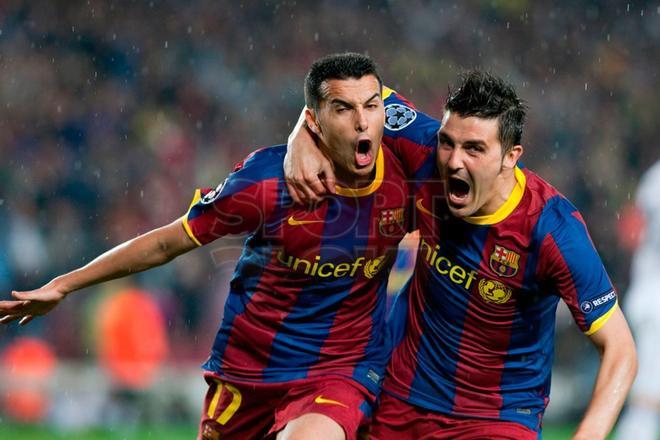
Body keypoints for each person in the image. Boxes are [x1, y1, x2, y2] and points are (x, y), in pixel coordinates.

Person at [0, 53, 414, 440]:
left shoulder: (408, 183)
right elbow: (168, 242)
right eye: (343, 109)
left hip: (341, 370)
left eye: (372, 106)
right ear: (313, 122)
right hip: (250, 371)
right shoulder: (266, 183)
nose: (362, 122)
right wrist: (65, 284)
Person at [285, 70, 637, 439]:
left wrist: (590, 434)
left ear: (510, 156)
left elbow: (620, 349)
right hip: (401, 396)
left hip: (497, 419)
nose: (454, 161)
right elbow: (344, 90)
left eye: (474, 149)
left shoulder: (552, 230)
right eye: (448, 143)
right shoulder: (422, 149)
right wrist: (300, 138)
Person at [615, 159, 660, 440]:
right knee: (646, 401)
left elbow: (629, 234)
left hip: (647, 294)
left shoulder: (653, 176)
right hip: (655, 300)